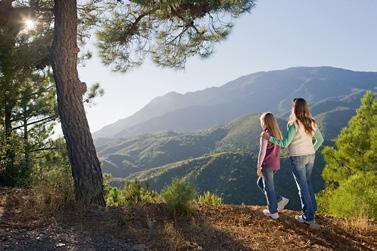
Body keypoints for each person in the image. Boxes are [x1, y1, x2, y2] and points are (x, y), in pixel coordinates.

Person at [262, 98, 324, 224]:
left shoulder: (293, 124)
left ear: (294, 108)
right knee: (307, 183)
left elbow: (284, 143)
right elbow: (320, 140)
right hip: (310, 156)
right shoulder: (312, 122)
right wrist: (311, 150)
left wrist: (270, 138)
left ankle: (308, 217)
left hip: (297, 157)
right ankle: (312, 211)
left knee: (302, 187)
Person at [257, 112, 289, 220]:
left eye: (261, 122)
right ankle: (279, 199)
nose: (261, 124)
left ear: (265, 122)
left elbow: (262, 152)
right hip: (275, 164)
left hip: (267, 164)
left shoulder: (265, 135)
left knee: (268, 187)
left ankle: (273, 212)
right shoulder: (277, 133)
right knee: (261, 182)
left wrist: (258, 166)